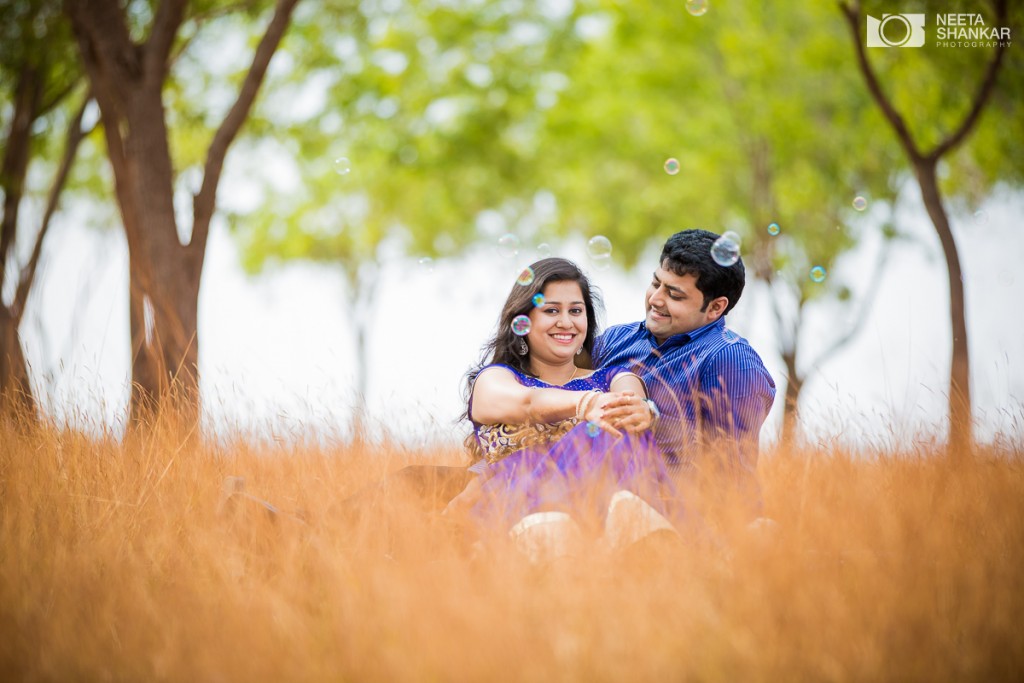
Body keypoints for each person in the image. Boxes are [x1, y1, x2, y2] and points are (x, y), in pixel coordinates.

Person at [446, 257, 684, 555]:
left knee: (617, 427)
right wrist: (587, 403)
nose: (566, 322)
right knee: (594, 432)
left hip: (602, 506)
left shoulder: (613, 378)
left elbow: (629, 400)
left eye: (575, 310)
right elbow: (528, 401)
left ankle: (637, 541)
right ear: (523, 321)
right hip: (514, 510)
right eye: (551, 311)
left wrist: (642, 410)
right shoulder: (496, 379)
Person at [592, 229, 776, 520]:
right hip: (595, 504)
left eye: (674, 294)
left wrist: (652, 418)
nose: (656, 299)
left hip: (680, 523)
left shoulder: (728, 358)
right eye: (655, 283)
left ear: (715, 307)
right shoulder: (617, 339)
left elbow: (730, 475)